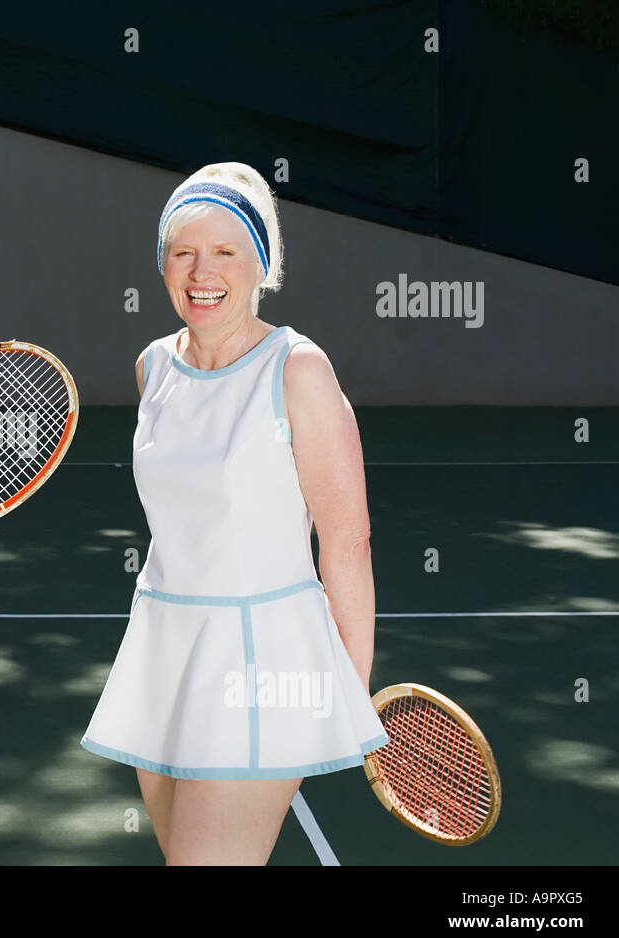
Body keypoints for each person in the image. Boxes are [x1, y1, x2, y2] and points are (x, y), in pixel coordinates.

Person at [81, 162, 389, 865]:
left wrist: (350, 691)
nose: (201, 271)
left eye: (226, 251)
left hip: (265, 659)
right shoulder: (152, 367)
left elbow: (347, 540)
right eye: (183, 251)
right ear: (162, 264)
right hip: (164, 649)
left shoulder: (296, 370)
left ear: (261, 265)